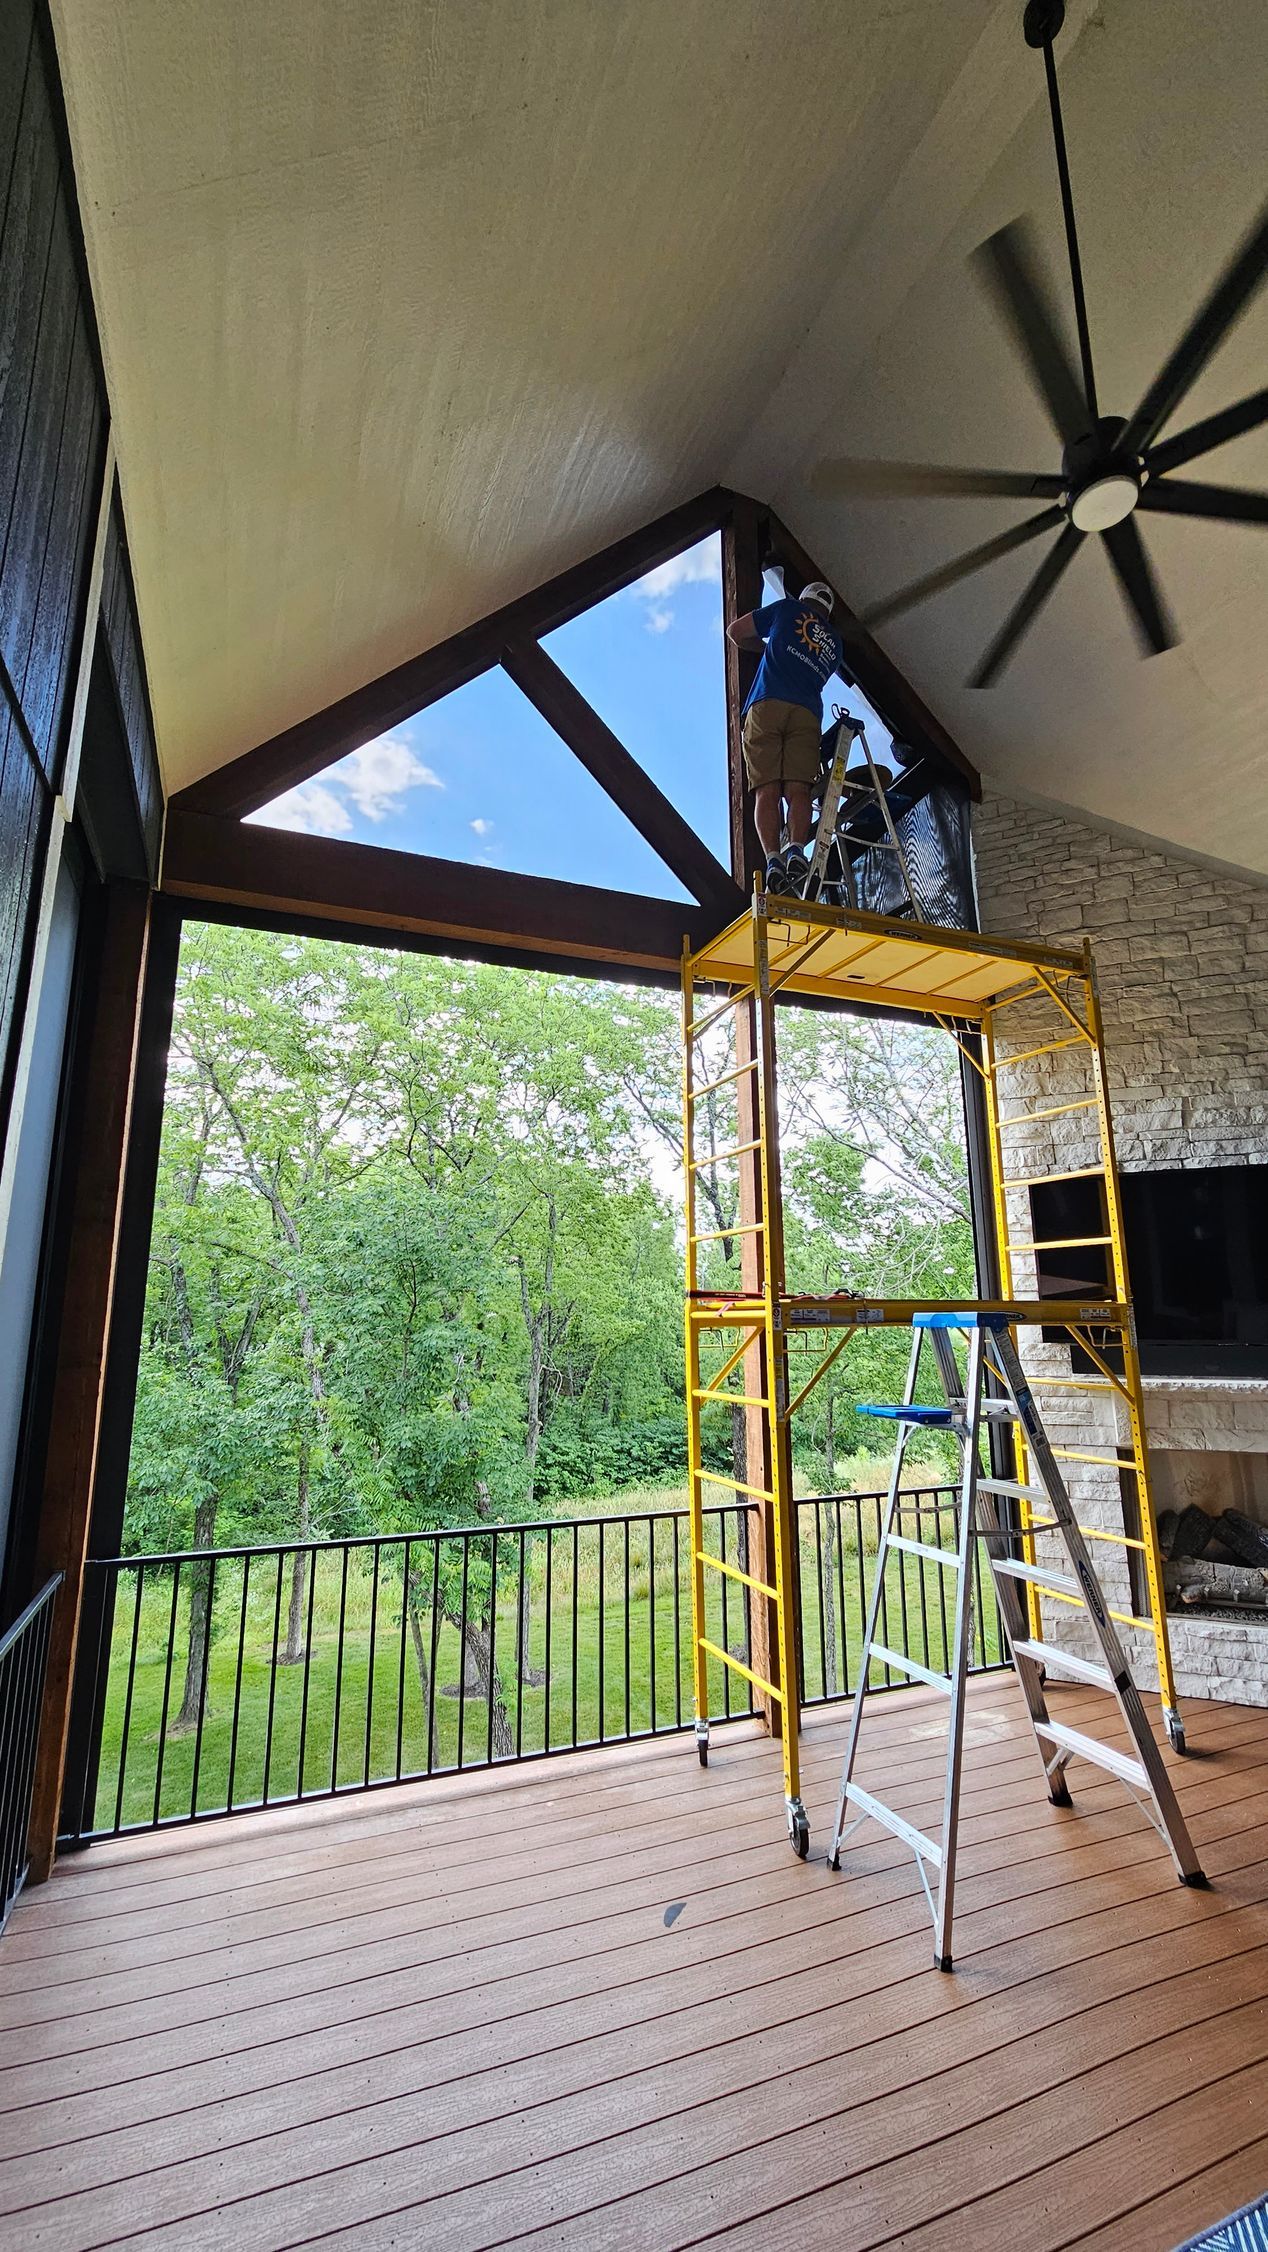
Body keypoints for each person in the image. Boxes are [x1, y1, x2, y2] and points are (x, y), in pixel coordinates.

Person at [727, 580, 845, 896]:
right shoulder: (835, 644)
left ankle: (773, 860)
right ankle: (795, 849)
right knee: (798, 790)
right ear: (829, 612)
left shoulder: (787, 610)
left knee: (766, 790)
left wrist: (768, 650)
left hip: (767, 703)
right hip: (807, 713)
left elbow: (736, 633)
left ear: (803, 599)